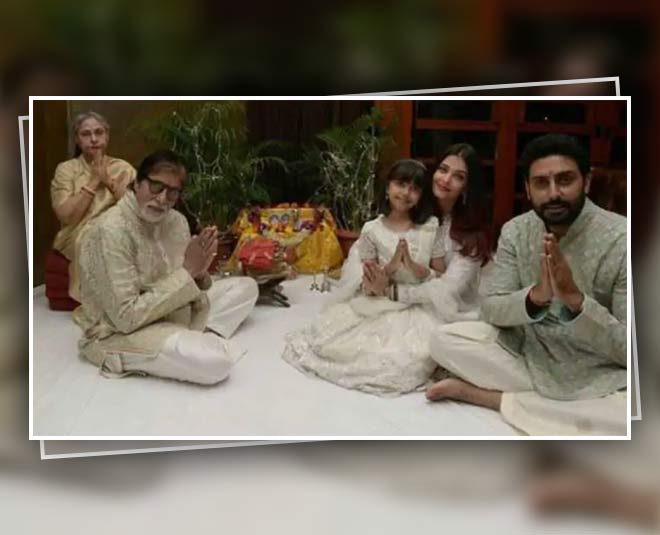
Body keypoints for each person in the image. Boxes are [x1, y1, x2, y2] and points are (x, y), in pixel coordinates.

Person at [426, 134, 627, 436]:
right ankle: (555, 406)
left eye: (565, 180)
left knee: (633, 415)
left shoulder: (623, 239)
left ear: (586, 182)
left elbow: (631, 349)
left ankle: (492, 398)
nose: (554, 193)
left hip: (597, 367)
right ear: (528, 189)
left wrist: (576, 301)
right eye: (541, 183)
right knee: (443, 339)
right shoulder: (516, 231)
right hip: (529, 355)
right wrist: (536, 297)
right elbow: (492, 308)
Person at [282, 151, 490, 396]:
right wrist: (369, 282)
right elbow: (360, 255)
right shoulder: (408, 214)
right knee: (350, 341)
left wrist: (392, 291)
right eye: (443, 170)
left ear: (467, 187)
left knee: (415, 353)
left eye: (458, 176)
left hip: (443, 306)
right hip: (388, 298)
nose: (445, 179)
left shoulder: (466, 235)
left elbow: (447, 286)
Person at [76, 150, 258, 385]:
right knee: (216, 364)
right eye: (156, 187)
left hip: (172, 311)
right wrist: (188, 272)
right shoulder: (112, 230)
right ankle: (194, 342)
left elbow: (182, 280)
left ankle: (189, 339)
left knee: (246, 287)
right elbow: (125, 318)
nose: (162, 199)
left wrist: (199, 272)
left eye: (172, 192)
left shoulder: (177, 221)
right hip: (120, 331)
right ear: (137, 184)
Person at [50, 111, 136, 301]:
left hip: (118, 229)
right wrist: (95, 180)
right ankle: (103, 301)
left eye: (99, 132)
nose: (94, 139)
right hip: (78, 232)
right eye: (86, 134)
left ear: (107, 136)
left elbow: (135, 210)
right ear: (77, 140)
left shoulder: (123, 168)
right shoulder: (66, 170)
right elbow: (66, 216)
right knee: (99, 237)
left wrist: (109, 182)